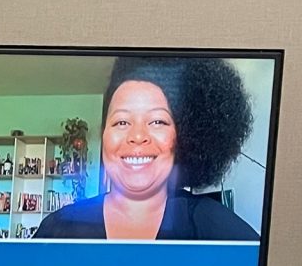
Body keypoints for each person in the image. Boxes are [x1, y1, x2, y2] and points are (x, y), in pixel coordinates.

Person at [34, 56, 260, 241]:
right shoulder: (59, 229)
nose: (137, 136)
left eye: (157, 122)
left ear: (182, 135)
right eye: (121, 122)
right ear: (104, 134)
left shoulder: (213, 227)